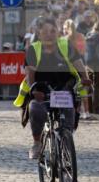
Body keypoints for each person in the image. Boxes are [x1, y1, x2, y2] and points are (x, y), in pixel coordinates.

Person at [17, 16, 90, 160]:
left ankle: (66, 141)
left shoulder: (66, 45)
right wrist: (34, 89)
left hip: (63, 89)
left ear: (57, 32)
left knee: (68, 116)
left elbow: (78, 63)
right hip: (41, 90)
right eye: (45, 32)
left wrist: (85, 78)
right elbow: (30, 73)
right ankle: (37, 143)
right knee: (35, 109)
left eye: (52, 31)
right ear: (39, 33)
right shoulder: (33, 49)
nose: (49, 34)